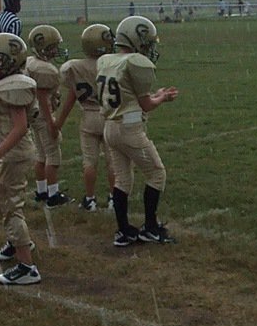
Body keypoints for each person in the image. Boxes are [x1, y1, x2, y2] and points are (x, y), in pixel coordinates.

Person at [96, 15, 179, 246]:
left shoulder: (106, 60)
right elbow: (145, 105)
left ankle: (123, 231)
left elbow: (129, 97)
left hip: (110, 127)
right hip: (129, 129)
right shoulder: (134, 62)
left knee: (123, 179)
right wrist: (161, 98)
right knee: (156, 173)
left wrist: (155, 95)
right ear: (137, 39)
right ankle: (150, 228)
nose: (149, 48)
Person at [0, 33, 41, 285]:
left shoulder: (16, 85)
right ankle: (17, 244)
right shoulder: (3, 83)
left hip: (13, 153)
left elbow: (20, 127)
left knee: (11, 207)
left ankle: (27, 267)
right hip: (9, 151)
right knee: (2, 203)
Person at [54, 24, 116, 212]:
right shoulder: (113, 64)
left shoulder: (75, 67)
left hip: (89, 116)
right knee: (113, 161)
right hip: (109, 116)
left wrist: (58, 123)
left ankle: (90, 199)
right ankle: (115, 199)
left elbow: (71, 97)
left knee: (89, 162)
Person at [25, 24, 72, 207]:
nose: (56, 50)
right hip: (43, 114)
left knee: (41, 154)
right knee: (52, 155)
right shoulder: (44, 69)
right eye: (53, 47)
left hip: (33, 114)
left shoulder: (31, 62)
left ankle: (42, 190)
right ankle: (53, 195)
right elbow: (43, 98)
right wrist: (52, 123)